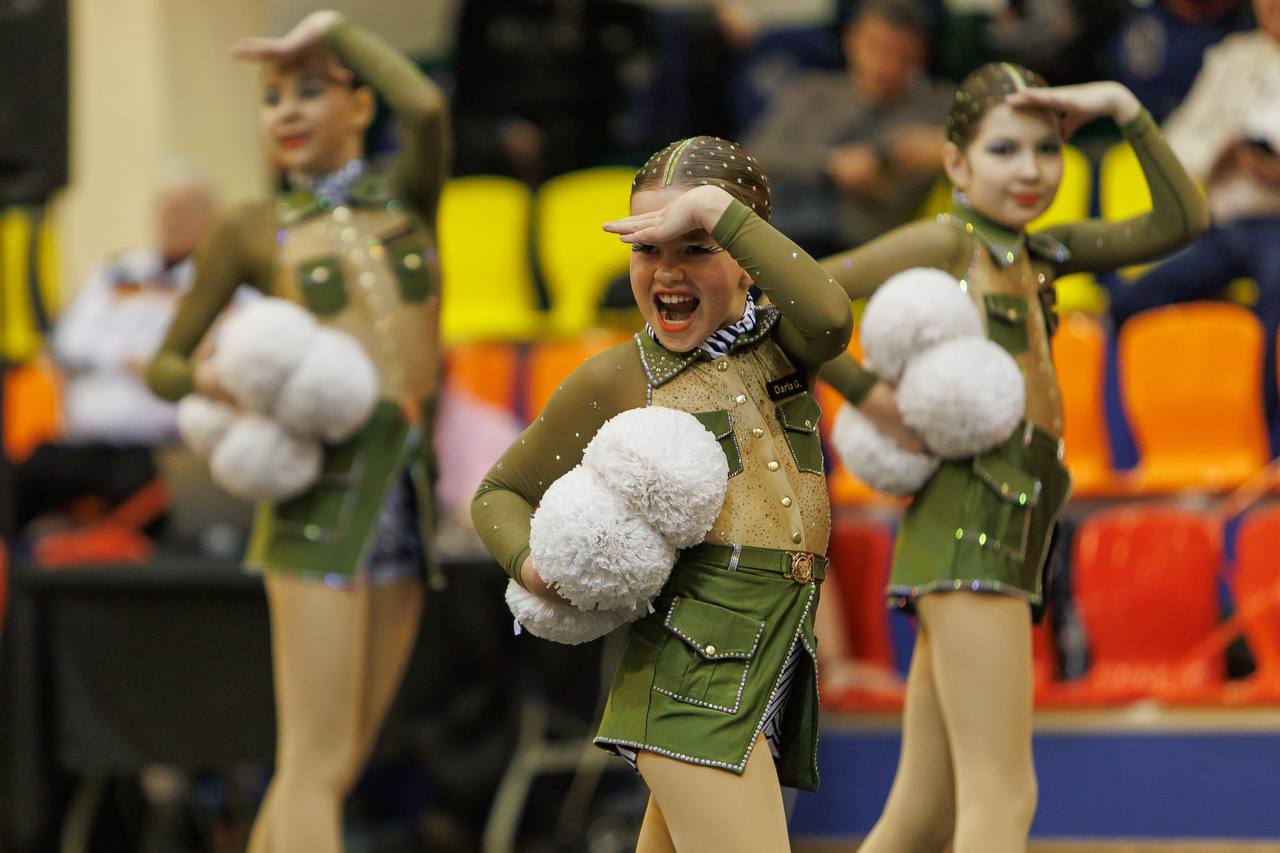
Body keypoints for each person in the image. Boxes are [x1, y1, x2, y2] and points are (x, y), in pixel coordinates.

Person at [818, 63, 1205, 851]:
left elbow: (1180, 219)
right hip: (972, 519)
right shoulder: (944, 240)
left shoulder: (1042, 251)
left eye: (1046, 148)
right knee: (1003, 798)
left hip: (1009, 521)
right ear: (956, 164)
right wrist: (869, 394)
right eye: (1003, 150)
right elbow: (798, 298)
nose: (1030, 170)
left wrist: (1123, 109)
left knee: (922, 812)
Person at [472, 136, 853, 851]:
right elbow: (498, 492)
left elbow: (833, 313)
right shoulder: (618, 376)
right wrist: (534, 567)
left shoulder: (786, 344)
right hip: (690, 692)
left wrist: (720, 208)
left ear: (750, 255)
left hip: (763, 672)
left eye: (697, 244)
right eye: (648, 247)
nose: (668, 271)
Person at [145, 11, 449, 853]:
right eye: (271, 96)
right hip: (318, 493)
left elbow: (424, 108)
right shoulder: (248, 227)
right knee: (313, 759)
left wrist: (335, 32)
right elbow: (163, 365)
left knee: (337, 759)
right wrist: (217, 376)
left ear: (357, 105)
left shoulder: (407, 196)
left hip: (406, 493)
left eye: (310, 88)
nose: (285, 108)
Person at [1108, 0, 1280, 452]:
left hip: (1277, 227)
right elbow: (1175, 148)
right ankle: (1149, 439)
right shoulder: (1232, 57)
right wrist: (1219, 153)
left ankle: (1263, 437)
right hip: (1224, 226)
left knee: (1278, 292)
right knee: (1134, 298)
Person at [13, 170, 215, 535]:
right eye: (167, 209)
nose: (173, 219)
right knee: (18, 480)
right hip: (80, 444)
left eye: (186, 210)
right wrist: (127, 358)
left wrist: (153, 366)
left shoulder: (215, 282)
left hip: (158, 455)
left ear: (210, 219)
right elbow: (68, 340)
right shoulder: (118, 271)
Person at [743, 0, 949, 257]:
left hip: (862, 240)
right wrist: (828, 165)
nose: (885, 64)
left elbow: (990, 136)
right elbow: (755, 153)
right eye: (875, 48)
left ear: (921, 54)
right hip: (783, 222)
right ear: (851, 40)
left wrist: (946, 146)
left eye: (901, 55)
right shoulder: (814, 90)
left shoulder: (940, 107)